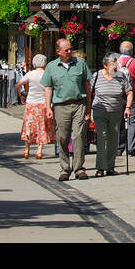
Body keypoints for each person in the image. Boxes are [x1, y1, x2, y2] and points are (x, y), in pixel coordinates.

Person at [42, 39, 92, 181]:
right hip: (60, 105)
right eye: (67, 50)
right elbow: (48, 88)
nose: (70, 52)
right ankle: (65, 169)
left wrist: (88, 105)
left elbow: (87, 84)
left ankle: (79, 169)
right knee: (62, 137)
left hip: (79, 104)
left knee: (78, 136)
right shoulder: (52, 67)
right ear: (58, 51)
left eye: (70, 49)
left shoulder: (80, 64)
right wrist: (48, 107)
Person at [91, 53, 132, 176]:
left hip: (116, 111)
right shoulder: (97, 76)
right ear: (104, 65)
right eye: (112, 64)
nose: (115, 67)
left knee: (113, 139)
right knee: (102, 138)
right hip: (100, 111)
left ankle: (110, 167)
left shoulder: (121, 76)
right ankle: (100, 167)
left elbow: (129, 92)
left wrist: (128, 107)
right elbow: (89, 91)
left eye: (115, 64)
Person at [16, 54, 55, 160]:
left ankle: (26, 150)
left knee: (29, 126)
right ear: (45, 63)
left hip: (31, 104)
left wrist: (21, 96)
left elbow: (18, 84)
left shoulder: (30, 74)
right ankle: (39, 151)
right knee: (42, 126)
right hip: (43, 103)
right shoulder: (47, 74)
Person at [117, 40, 135, 156]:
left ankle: (119, 148)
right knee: (132, 122)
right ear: (131, 51)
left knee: (118, 122)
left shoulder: (115, 62)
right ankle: (131, 148)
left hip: (118, 96)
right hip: (132, 95)